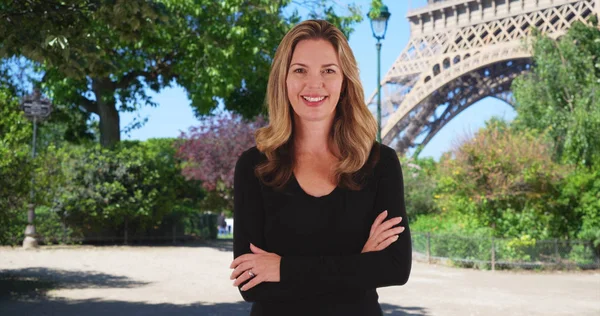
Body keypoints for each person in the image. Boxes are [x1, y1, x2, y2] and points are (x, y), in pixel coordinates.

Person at [229, 20, 411, 316]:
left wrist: (283, 268)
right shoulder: (254, 166)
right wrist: (358, 263)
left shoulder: (380, 163)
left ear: (344, 81)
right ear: (283, 80)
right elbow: (252, 285)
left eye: (328, 70)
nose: (314, 84)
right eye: (300, 70)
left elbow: (394, 268)